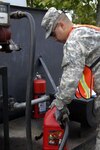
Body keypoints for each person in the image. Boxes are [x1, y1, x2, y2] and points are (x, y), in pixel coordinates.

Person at [41, 7, 100, 150]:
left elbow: (71, 77)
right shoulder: (85, 30)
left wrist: (59, 104)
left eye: (53, 34)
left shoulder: (73, 40)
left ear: (61, 25)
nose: (54, 39)